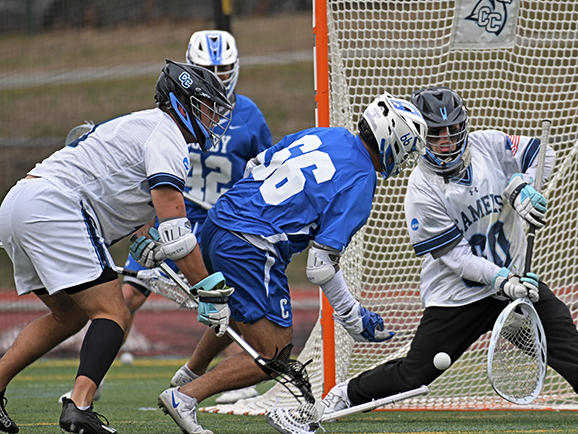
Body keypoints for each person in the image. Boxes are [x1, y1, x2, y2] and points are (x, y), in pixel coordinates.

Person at [267, 87, 578, 434]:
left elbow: (544, 154)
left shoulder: (489, 144)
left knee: (550, 316)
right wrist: (503, 280)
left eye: (453, 130)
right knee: (416, 375)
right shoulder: (421, 188)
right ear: (421, 136)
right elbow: (456, 257)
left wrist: (523, 186)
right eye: (436, 133)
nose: (445, 141)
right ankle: (346, 394)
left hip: (509, 277)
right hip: (457, 296)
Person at [150, 92, 428, 434]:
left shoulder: (330, 134)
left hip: (219, 220)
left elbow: (256, 164)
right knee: (276, 350)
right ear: (392, 141)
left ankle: (191, 372)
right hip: (252, 244)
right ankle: (186, 396)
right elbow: (321, 266)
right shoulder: (361, 179)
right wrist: (353, 316)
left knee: (245, 318)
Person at [0, 60, 235, 434]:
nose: (213, 119)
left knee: (70, 315)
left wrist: (146, 239)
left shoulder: (144, 127)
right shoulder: (167, 135)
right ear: (185, 103)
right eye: (208, 108)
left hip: (19, 204)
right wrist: (208, 290)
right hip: (54, 206)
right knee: (114, 313)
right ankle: (79, 405)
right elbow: (176, 230)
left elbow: (138, 211)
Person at [107, 30, 272, 406]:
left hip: (221, 224)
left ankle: (223, 369)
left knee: (229, 296)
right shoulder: (172, 117)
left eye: (223, 68)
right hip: (173, 217)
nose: (218, 75)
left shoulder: (248, 115)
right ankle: (94, 371)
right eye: (207, 68)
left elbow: (264, 170)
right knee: (128, 293)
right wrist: (144, 225)